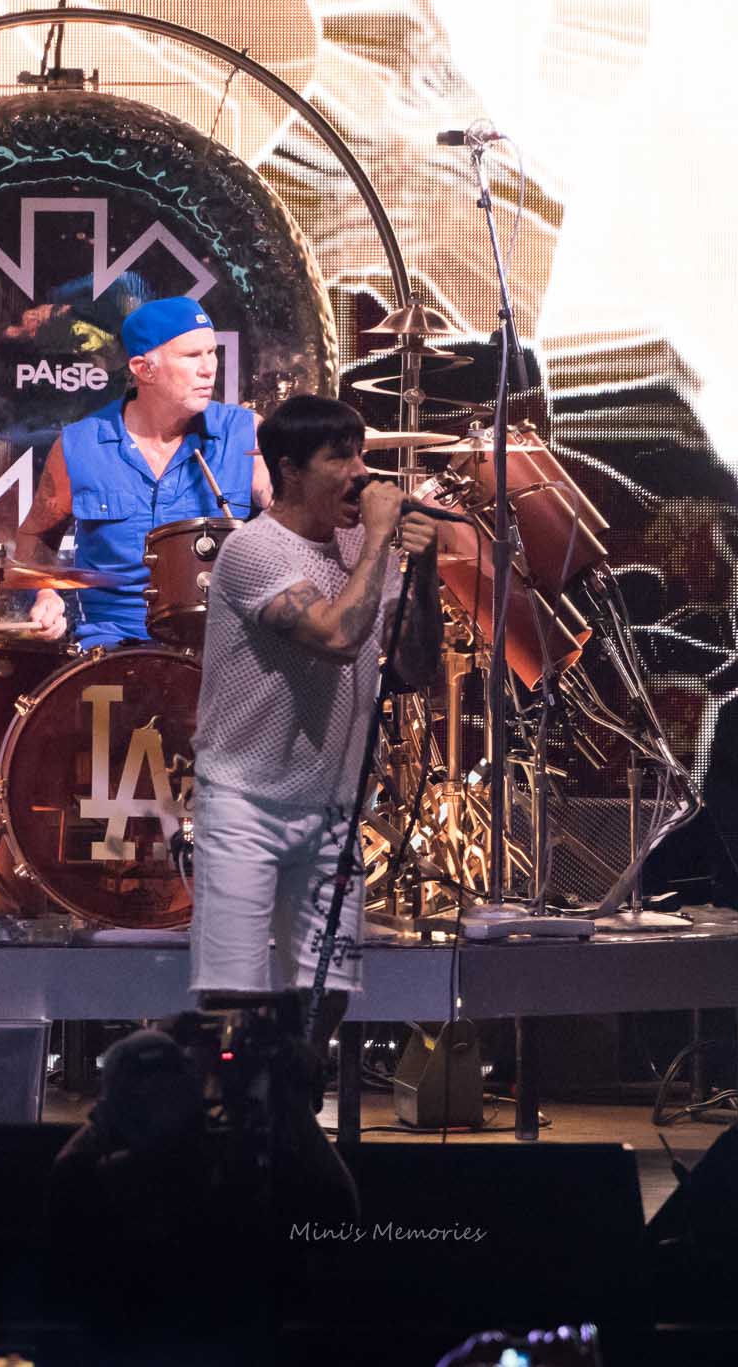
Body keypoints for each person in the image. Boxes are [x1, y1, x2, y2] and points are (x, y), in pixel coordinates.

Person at [186, 394, 442, 1052]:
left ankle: (289, 1100)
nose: (360, 472)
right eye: (340, 457)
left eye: (361, 454)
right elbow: (335, 637)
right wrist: (381, 540)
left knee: (326, 992)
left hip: (331, 806)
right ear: (290, 470)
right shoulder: (252, 550)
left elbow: (415, 668)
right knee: (233, 998)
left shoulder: (359, 546)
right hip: (244, 801)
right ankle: (235, 1108)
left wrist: (425, 571)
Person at [17, 296, 273, 647]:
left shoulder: (245, 435)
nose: (208, 368)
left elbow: (291, 523)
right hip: (112, 649)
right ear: (143, 368)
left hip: (224, 647)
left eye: (211, 352)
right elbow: (35, 537)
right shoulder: (80, 445)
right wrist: (45, 593)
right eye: (191, 356)